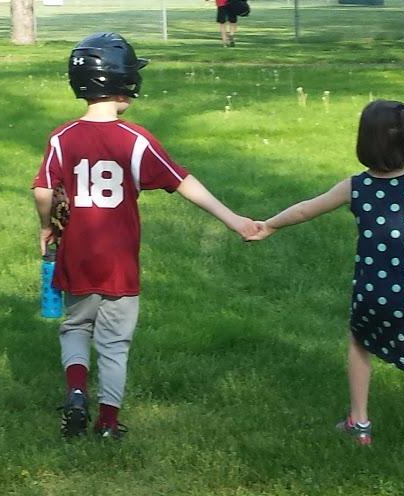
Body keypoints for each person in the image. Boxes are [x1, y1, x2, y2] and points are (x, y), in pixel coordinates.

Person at [33, 32, 259, 440]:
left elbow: (42, 190)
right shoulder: (136, 140)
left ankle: (77, 391)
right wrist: (233, 219)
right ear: (122, 84)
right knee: (114, 341)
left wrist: (47, 225)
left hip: (77, 255)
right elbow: (181, 182)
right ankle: (107, 422)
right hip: (119, 261)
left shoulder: (61, 138)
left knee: (75, 327)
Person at [248, 100, 404, 483]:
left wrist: (270, 225)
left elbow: (305, 209)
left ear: (364, 143)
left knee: (359, 344)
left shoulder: (356, 186)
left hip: (371, 294)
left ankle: (359, 423)